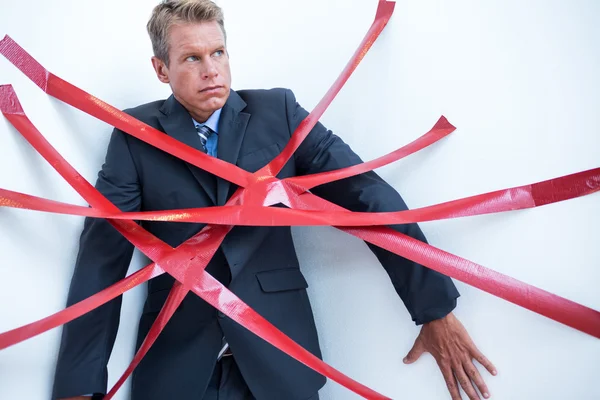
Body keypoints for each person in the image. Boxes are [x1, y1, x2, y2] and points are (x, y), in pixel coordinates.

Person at [52, 1, 496, 399]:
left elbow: (367, 194)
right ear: (161, 69)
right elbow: (102, 258)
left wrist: (434, 309)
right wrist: (78, 386)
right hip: (177, 368)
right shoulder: (135, 136)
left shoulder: (278, 113)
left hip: (281, 362)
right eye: (192, 57)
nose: (212, 70)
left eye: (218, 53)